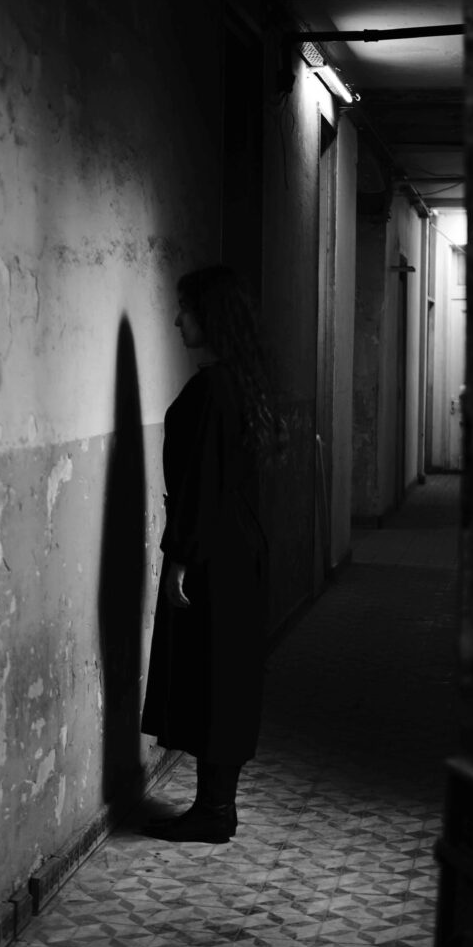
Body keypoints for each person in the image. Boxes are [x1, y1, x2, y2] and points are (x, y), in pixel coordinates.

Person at [140, 264, 283, 844]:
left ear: (212, 316)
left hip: (212, 556)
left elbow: (200, 487)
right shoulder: (243, 384)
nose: (177, 318)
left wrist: (178, 558)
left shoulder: (212, 390)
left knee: (210, 677)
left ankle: (214, 811)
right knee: (227, 678)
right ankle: (217, 805)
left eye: (186, 308)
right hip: (238, 549)